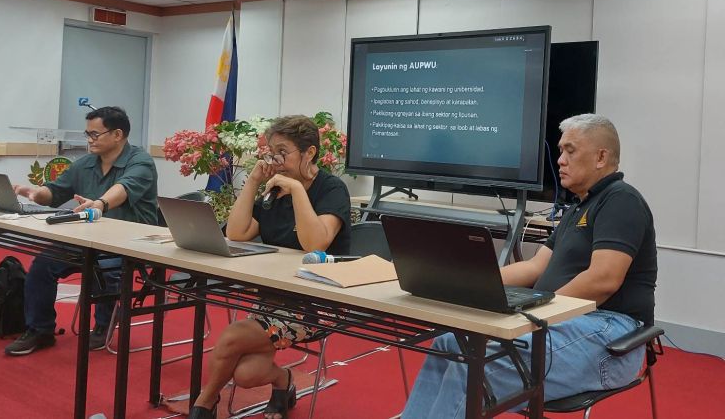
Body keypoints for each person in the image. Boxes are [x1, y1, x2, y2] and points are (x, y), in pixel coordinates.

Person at [401, 114, 658, 418]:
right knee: (449, 341)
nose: (560, 160)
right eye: (561, 150)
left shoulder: (621, 200)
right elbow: (534, 268)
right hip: (564, 324)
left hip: (609, 336)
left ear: (601, 157)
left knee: (474, 364)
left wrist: (538, 313)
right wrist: (465, 279)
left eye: (570, 151)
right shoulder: (579, 207)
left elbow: (603, 280)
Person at [188, 115, 352, 419]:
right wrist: (252, 181)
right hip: (276, 294)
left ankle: (204, 405)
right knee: (247, 374)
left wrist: (298, 190)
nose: (274, 160)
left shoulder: (331, 189)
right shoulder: (273, 190)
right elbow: (236, 233)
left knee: (231, 338)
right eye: (270, 152)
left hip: (319, 301)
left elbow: (314, 243)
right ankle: (283, 382)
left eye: (282, 152)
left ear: (309, 153)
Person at [4, 106, 159, 356]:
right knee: (42, 265)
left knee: (106, 267)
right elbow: (55, 192)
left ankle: (102, 326)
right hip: (89, 238)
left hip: (131, 243)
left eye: (95, 135)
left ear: (117, 134)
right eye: (87, 134)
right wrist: (33, 192)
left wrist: (99, 204)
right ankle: (40, 330)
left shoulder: (140, 161)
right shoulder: (85, 163)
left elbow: (123, 188)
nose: (89, 140)